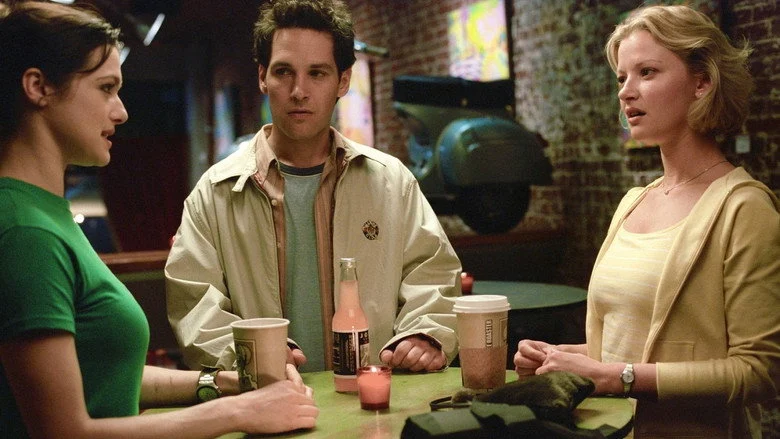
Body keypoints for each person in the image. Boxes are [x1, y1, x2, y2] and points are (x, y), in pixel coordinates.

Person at [0, 3, 317, 438]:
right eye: (106, 88)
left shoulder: (43, 214)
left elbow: (103, 375)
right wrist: (239, 413)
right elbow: (64, 431)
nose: (121, 112)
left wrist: (226, 384)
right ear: (39, 87)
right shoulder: (25, 231)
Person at [513, 4, 779, 438]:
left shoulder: (744, 208)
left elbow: (759, 371)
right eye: (622, 78)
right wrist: (561, 359)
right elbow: (627, 348)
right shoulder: (634, 202)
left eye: (647, 72)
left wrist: (616, 378)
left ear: (702, 83)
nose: (625, 92)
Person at [165, 0, 461, 375]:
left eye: (317, 73)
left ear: (343, 81)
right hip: (267, 395)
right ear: (262, 77)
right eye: (283, 72)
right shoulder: (215, 193)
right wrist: (254, 353)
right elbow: (195, 303)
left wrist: (424, 335)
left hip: (372, 397)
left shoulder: (391, 182)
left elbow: (433, 274)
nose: (299, 91)